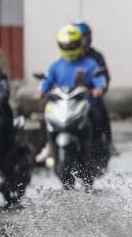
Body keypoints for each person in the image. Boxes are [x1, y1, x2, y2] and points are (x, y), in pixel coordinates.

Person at [36, 25, 107, 161]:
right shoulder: (56, 66)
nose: (69, 49)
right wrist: (41, 91)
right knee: (44, 118)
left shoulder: (90, 64)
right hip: (61, 105)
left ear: (80, 44)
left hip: (83, 104)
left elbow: (99, 78)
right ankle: (48, 145)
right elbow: (47, 81)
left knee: (97, 116)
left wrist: (98, 89)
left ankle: (98, 147)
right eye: (65, 46)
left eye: (72, 45)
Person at [74, 21, 117, 154]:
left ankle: (108, 142)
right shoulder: (67, 59)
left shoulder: (96, 57)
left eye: (84, 38)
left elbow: (104, 77)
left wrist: (98, 90)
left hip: (90, 97)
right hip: (71, 98)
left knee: (100, 112)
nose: (82, 42)